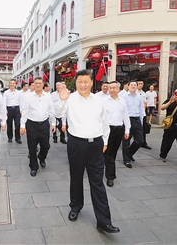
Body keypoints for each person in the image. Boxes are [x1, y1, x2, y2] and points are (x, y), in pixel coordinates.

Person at [56, 69, 119, 233]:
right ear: (75, 83)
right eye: (80, 81)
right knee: (76, 178)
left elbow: (105, 123)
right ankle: (75, 207)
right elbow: (57, 113)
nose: (83, 85)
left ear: (92, 82)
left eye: (86, 81)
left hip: (96, 145)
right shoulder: (69, 99)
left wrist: (104, 141)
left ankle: (104, 221)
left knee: (97, 182)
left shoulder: (99, 100)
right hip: (76, 144)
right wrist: (62, 100)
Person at [20, 77, 55, 177]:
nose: (38, 85)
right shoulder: (29, 97)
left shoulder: (48, 96)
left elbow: (51, 110)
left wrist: (53, 123)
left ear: (43, 84)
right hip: (31, 125)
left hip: (44, 124)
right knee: (32, 147)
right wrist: (22, 125)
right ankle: (34, 167)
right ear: (33, 85)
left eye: (40, 83)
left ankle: (42, 157)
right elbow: (25, 111)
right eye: (36, 83)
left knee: (46, 145)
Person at [103, 81, 130, 187]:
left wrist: (127, 130)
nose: (112, 90)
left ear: (119, 89)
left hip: (118, 129)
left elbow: (126, 116)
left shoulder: (122, 101)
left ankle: (108, 168)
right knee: (107, 152)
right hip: (107, 129)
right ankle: (110, 176)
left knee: (113, 153)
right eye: (110, 88)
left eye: (114, 88)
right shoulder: (104, 101)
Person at [122, 81, 144, 168]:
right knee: (126, 141)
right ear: (128, 86)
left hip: (137, 120)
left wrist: (141, 122)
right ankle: (126, 160)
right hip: (128, 120)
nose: (133, 86)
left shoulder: (139, 97)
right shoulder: (124, 97)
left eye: (135, 85)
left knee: (140, 141)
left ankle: (129, 153)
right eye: (131, 85)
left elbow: (141, 109)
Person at [4, 79, 22, 144]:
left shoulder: (19, 93)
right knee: (9, 124)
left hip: (17, 109)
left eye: (13, 83)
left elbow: (21, 101)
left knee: (18, 124)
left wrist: (21, 109)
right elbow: (4, 102)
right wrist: (5, 110)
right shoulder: (6, 93)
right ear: (9, 84)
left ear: (15, 84)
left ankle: (18, 138)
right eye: (11, 83)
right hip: (9, 109)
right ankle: (10, 137)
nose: (12, 84)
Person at [137, 80, 151, 150]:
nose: (140, 85)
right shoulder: (134, 93)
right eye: (139, 84)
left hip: (143, 113)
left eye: (142, 84)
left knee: (143, 129)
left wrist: (144, 111)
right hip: (136, 114)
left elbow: (145, 103)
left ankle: (143, 142)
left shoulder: (143, 93)